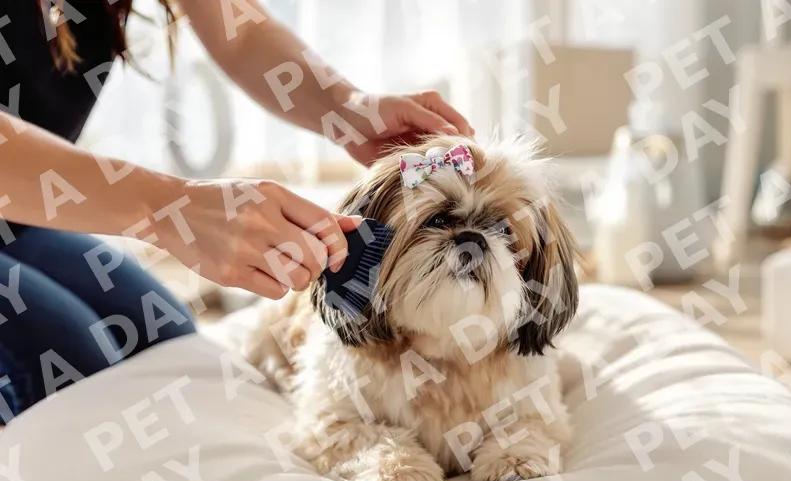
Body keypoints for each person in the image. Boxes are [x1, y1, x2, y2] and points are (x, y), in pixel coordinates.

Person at [0, 0, 473, 421]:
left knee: (166, 342)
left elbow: (241, 30)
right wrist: (167, 208)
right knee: (71, 369)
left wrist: (346, 108)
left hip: (18, 222)